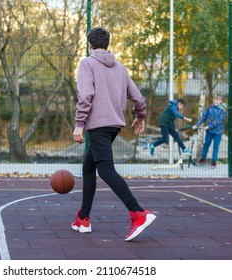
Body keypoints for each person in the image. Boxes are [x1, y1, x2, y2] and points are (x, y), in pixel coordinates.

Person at [72, 27, 156, 242]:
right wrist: (141, 117)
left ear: (90, 45)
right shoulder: (120, 68)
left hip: (98, 126)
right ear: (107, 44)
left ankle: (138, 213)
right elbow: (138, 97)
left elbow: (86, 95)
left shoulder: (87, 63)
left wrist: (79, 123)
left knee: (106, 170)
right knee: (89, 166)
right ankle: (83, 218)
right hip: (113, 127)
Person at [192, 95, 227, 169]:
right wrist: (197, 125)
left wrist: (208, 126)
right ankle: (203, 159)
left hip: (218, 132)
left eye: (217, 100)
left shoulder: (223, 110)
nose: (215, 102)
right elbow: (203, 117)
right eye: (214, 100)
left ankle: (213, 162)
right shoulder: (209, 107)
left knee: (215, 146)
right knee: (206, 145)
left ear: (220, 101)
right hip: (209, 131)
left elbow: (218, 121)